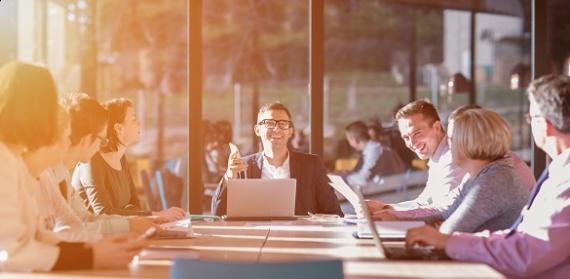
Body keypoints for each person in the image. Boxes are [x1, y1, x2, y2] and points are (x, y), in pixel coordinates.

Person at [405, 75, 570, 278]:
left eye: (530, 118)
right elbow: (521, 237)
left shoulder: (560, 179)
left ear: (545, 124)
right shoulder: (559, 171)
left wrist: (448, 240)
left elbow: (529, 252)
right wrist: (454, 239)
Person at [0, 61, 145, 271]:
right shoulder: (7, 161)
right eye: (47, 107)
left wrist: (98, 246)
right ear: (29, 109)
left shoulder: (15, 161)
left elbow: (40, 236)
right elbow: (10, 252)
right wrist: (91, 256)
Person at [373, 109, 531, 233]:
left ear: (468, 141)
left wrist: (439, 229)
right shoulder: (477, 176)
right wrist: (393, 216)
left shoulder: (495, 179)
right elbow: (444, 210)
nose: (448, 145)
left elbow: (450, 229)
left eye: (451, 138)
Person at [38, 93, 160, 240]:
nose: (100, 147)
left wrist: (133, 222)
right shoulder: (46, 175)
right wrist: (130, 225)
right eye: (102, 140)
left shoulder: (61, 173)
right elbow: (75, 227)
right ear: (88, 139)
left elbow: (82, 221)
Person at [211, 101, 342, 216]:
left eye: (283, 124)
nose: (276, 129)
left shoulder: (311, 165)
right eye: (269, 123)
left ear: (290, 131)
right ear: (257, 130)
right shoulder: (242, 166)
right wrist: (229, 176)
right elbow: (217, 213)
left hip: (298, 239)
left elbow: (334, 212)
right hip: (255, 239)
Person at [72, 98, 185, 220]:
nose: (139, 124)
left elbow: (134, 205)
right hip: (95, 236)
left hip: (120, 233)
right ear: (119, 128)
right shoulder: (91, 160)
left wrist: (156, 218)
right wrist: (157, 215)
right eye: (133, 120)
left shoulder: (121, 158)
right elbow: (103, 212)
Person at [366, 100, 467, 211]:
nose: (412, 143)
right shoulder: (437, 158)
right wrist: (385, 208)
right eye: (406, 138)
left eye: (417, 133)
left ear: (437, 127)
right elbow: (422, 202)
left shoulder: (451, 157)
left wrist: (389, 211)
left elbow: (441, 210)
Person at [343, 121, 405, 187]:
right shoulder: (371, 149)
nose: (350, 144)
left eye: (349, 140)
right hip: (385, 189)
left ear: (355, 140)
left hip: (389, 192)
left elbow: (363, 179)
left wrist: (342, 179)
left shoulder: (374, 149)